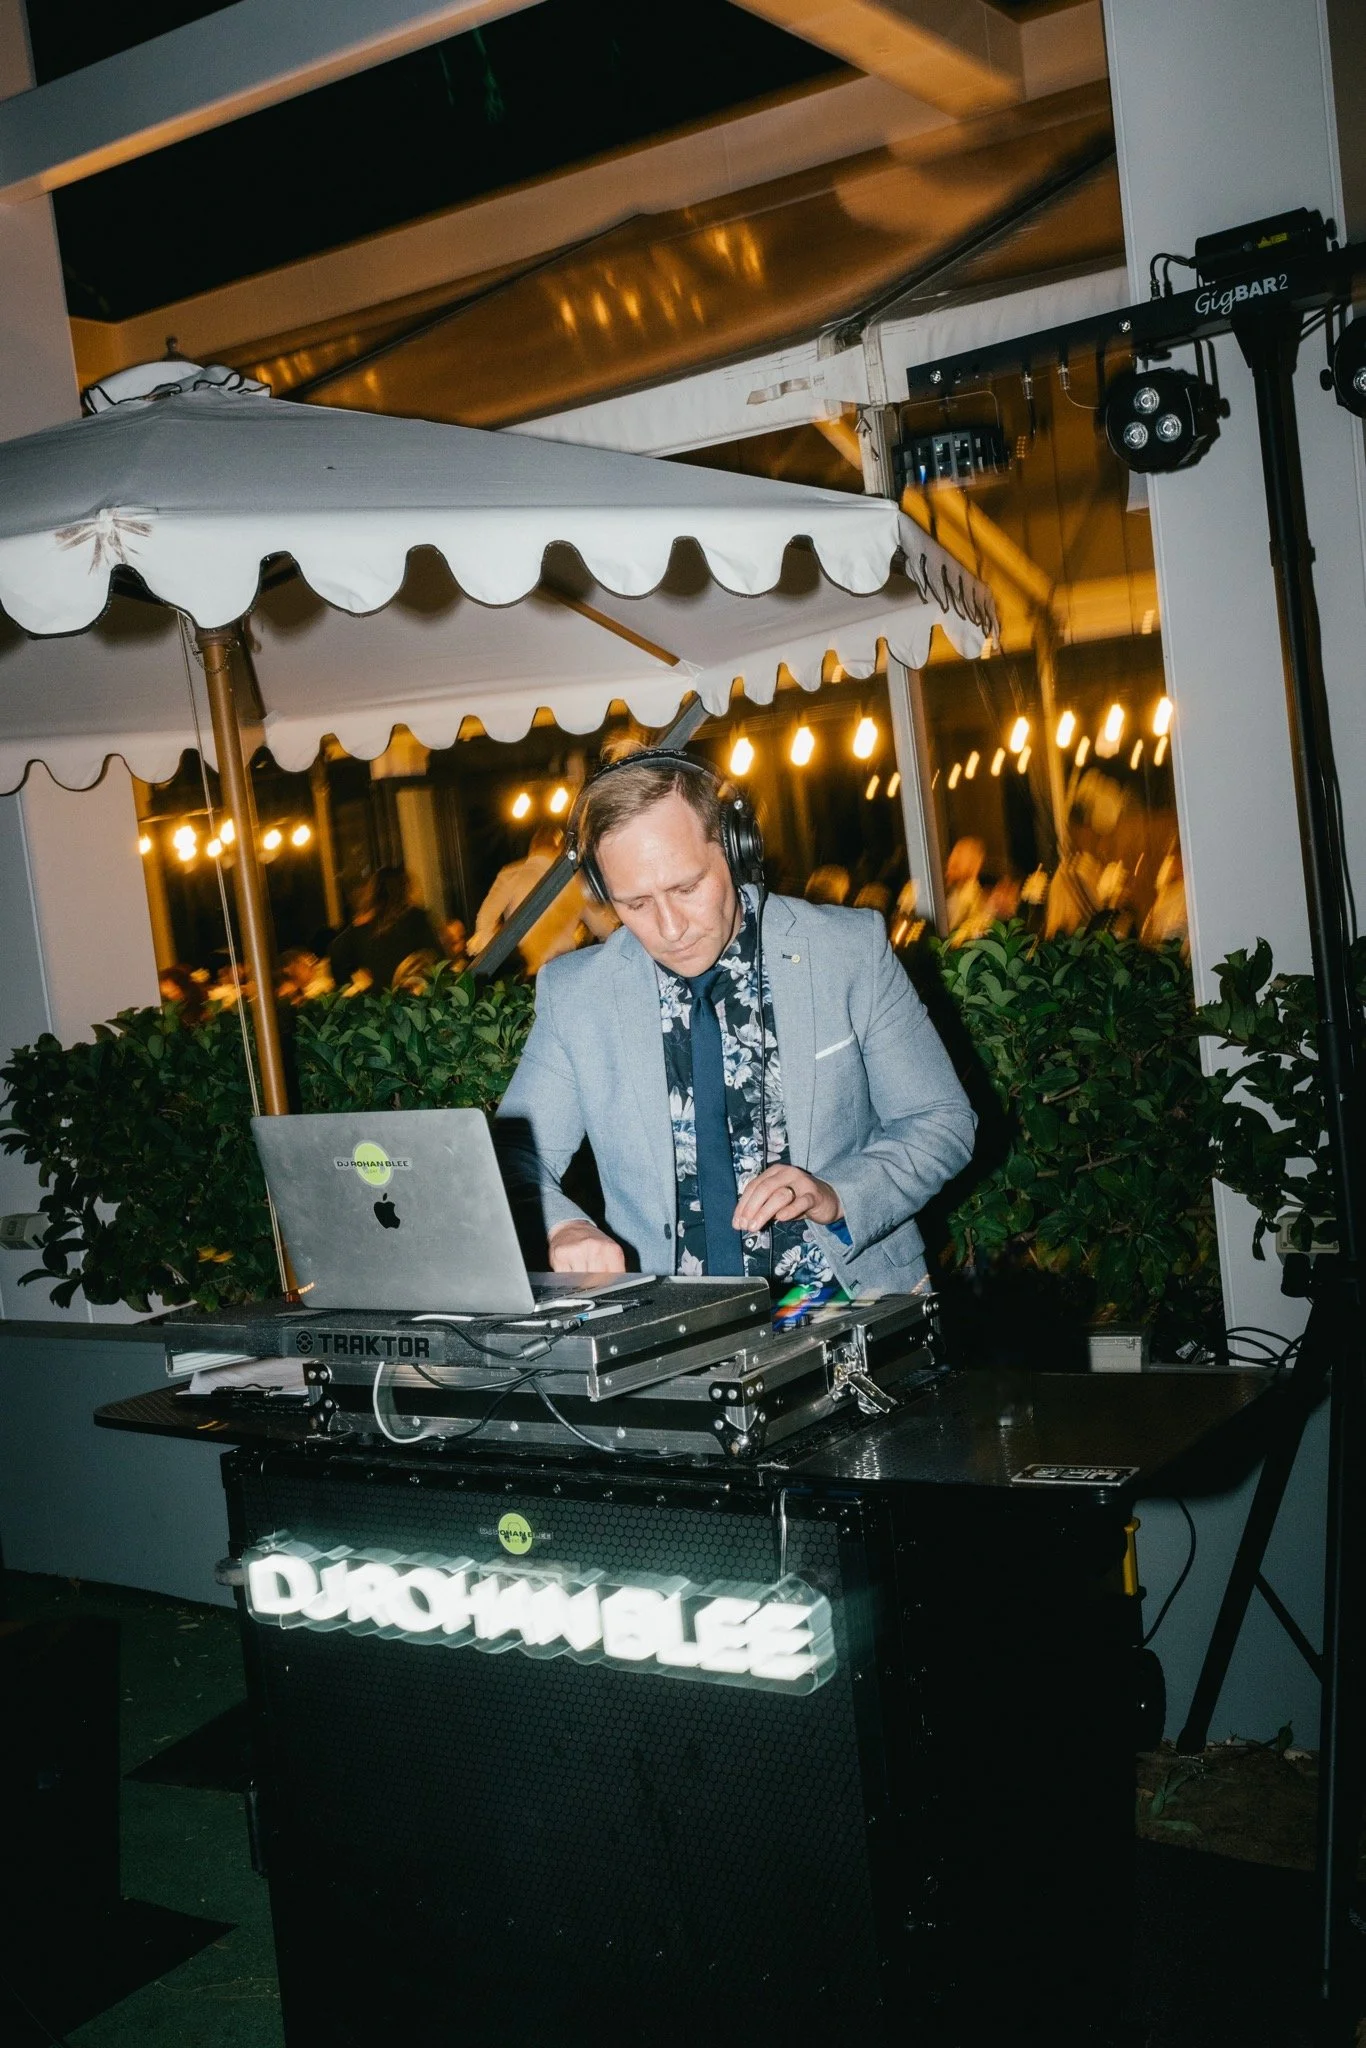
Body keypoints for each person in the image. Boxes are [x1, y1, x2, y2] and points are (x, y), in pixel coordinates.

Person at [497, 755, 976, 1293]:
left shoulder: (847, 950)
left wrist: (838, 1194)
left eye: (687, 887)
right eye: (636, 903)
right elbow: (515, 1153)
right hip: (672, 1329)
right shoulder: (577, 994)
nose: (671, 927)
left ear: (735, 848)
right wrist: (564, 1225)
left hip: (846, 1305)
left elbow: (941, 1120)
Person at [469, 822, 615, 975]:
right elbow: (605, 929)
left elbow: (485, 920)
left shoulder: (510, 875)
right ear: (559, 849)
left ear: (532, 848)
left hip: (528, 973)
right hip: (565, 969)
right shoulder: (575, 880)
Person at [329, 868, 440, 992]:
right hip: (412, 1000)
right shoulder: (415, 918)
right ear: (405, 888)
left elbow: (336, 952)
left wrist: (353, 980)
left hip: (375, 1003)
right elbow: (437, 960)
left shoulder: (362, 928)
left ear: (373, 892)